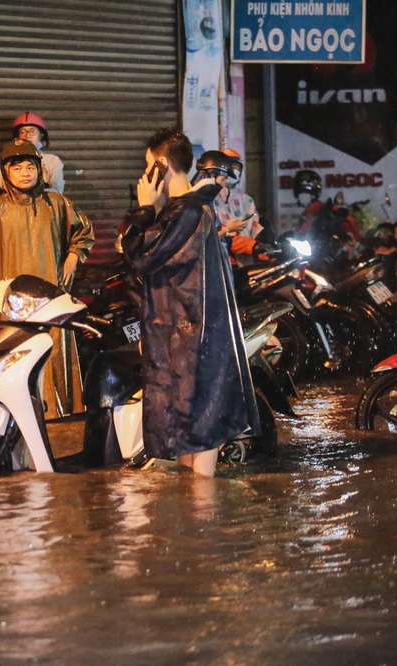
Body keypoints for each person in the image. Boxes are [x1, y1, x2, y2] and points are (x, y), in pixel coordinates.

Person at [121, 128, 258, 477]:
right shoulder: (190, 209)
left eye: (148, 165)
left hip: (191, 337)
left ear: (162, 166)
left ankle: (202, 518)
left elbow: (140, 256)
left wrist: (143, 210)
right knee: (189, 429)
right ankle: (196, 517)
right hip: (189, 333)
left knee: (200, 428)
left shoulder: (184, 213)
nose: (144, 174)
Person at [0, 139, 94, 419]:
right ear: (5, 173)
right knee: (13, 350)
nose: (25, 173)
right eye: (17, 167)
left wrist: (73, 255)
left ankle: (56, 413)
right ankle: (15, 410)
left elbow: (83, 233)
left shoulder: (57, 204)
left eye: (30, 166)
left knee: (52, 350)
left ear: (40, 170)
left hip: (50, 298)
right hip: (9, 301)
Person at [209, 149, 268, 265]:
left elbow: (255, 229)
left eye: (236, 167)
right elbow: (220, 234)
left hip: (248, 261)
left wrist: (264, 239)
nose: (233, 171)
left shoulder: (246, 200)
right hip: (224, 262)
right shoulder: (210, 199)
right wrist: (253, 246)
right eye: (229, 166)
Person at [5, 112, 65, 194]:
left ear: (41, 135)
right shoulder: (8, 161)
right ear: (17, 137)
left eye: (32, 131)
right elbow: (9, 191)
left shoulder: (53, 161)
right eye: (22, 132)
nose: (27, 135)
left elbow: (57, 190)